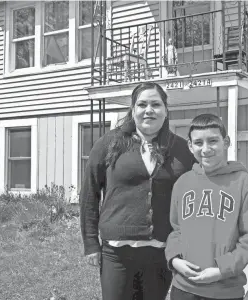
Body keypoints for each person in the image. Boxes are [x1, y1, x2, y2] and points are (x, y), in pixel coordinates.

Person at [80, 82, 195, 300]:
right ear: (133, 110)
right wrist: (91, 243)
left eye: (155, 104)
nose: (148, 110)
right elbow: (89, 195)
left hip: (161, 251)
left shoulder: (181, 149)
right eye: (142, 104)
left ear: (166, 110)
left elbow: (194, 195)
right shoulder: (108, 144)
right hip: (117, 253)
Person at [165, 114, 248, 300]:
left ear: (226, 142)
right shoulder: (182, 183)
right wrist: (175, 259)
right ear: (190, 146)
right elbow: (175, 230)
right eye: (199, 142)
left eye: (213, 141)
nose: (206, 149)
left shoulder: (243, 182)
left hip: (224, 290)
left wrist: (221, 270)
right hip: (183, 287)